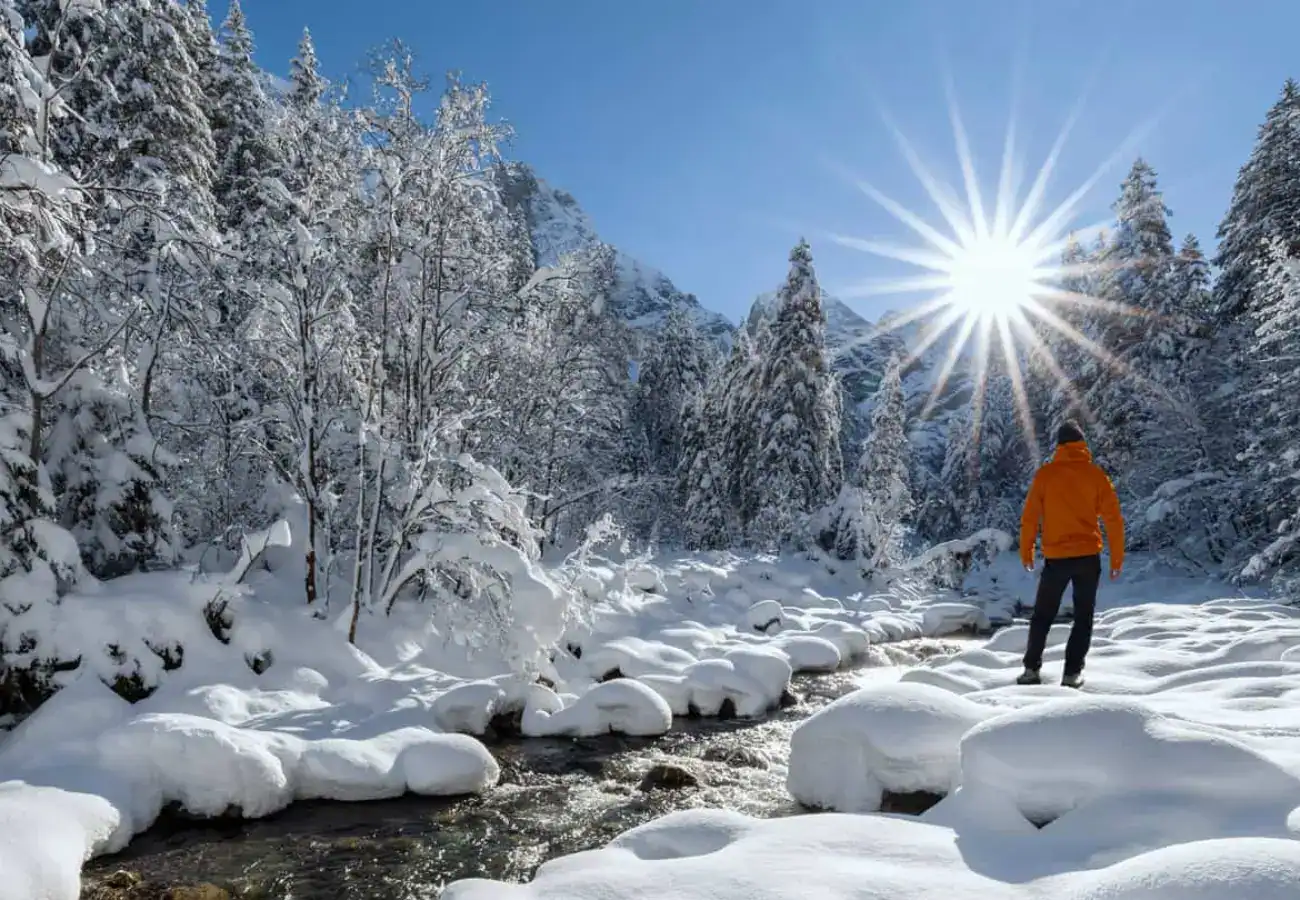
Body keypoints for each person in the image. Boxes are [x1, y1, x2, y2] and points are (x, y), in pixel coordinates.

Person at [1016, 421, 1124, 688]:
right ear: (1082, 444)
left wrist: (1027, 550)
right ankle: (1072, 674)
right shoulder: (1096, 475)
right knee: (1083, 616)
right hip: (1088, 558)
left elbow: (1030, 517)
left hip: (1057, 558)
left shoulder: (1046, 475)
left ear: (1059, 446)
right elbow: (1113, 520)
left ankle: (1031, 670)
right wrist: (1117, 557)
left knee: (1042, 615)